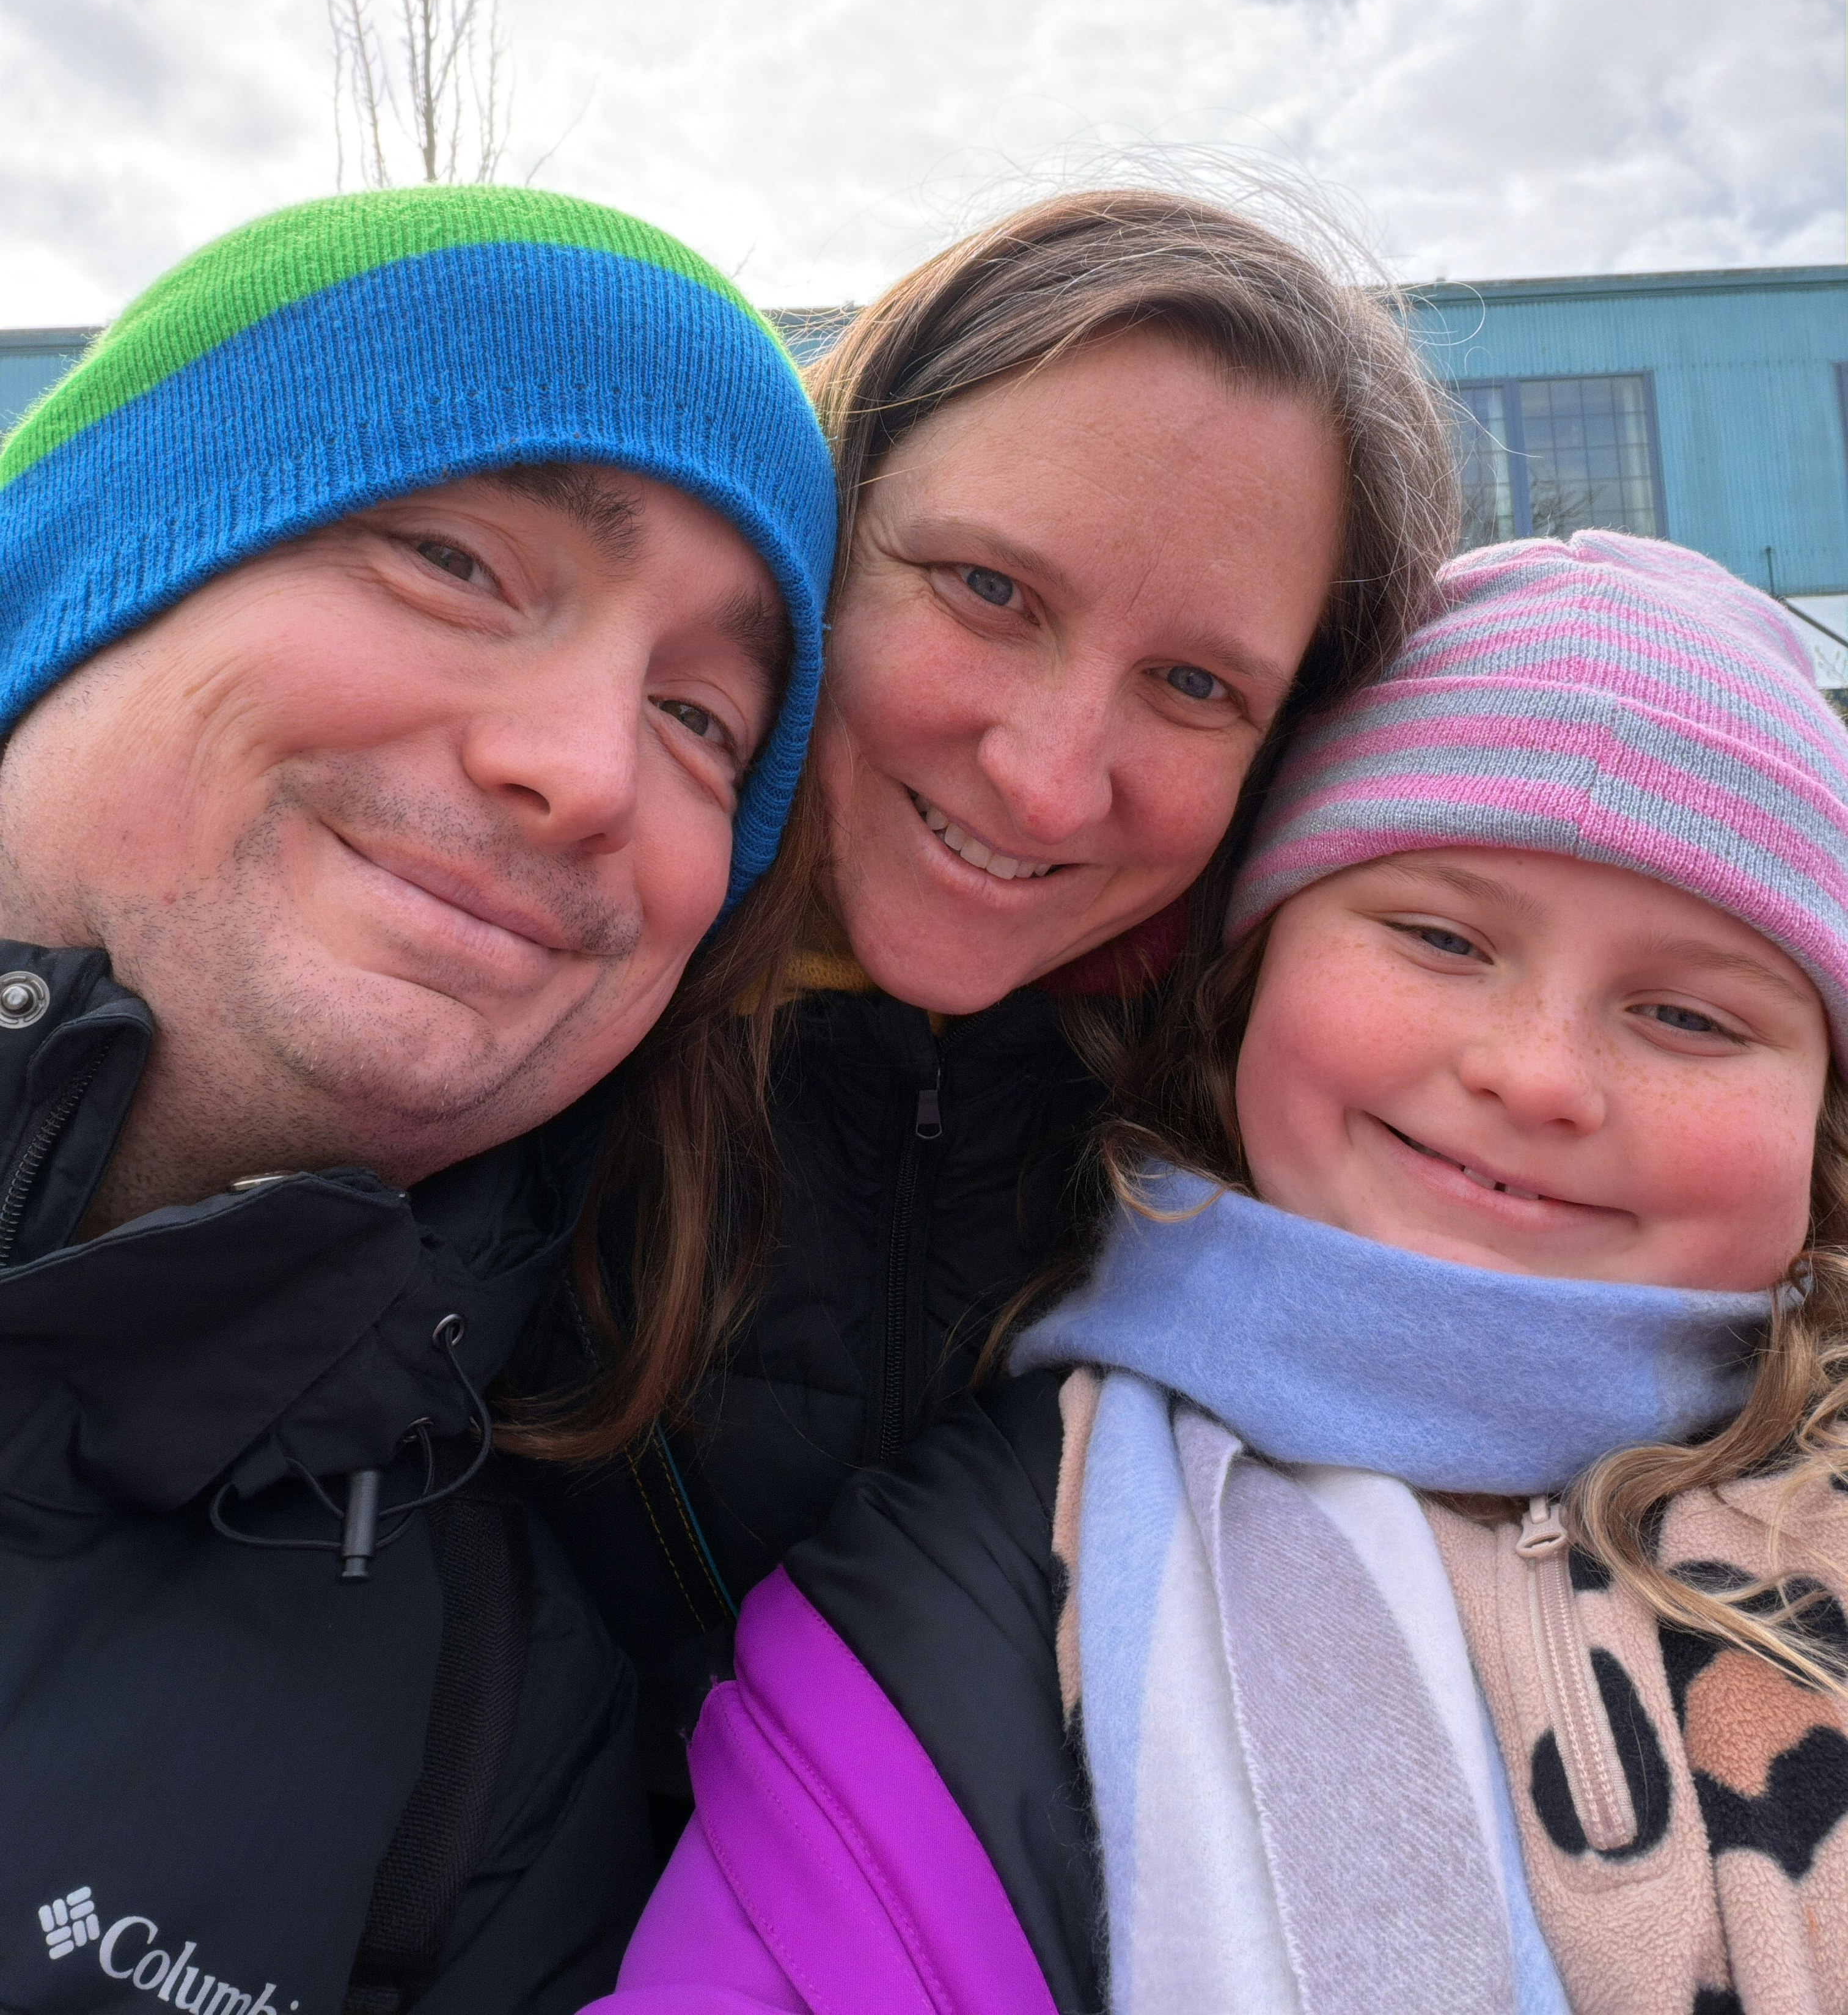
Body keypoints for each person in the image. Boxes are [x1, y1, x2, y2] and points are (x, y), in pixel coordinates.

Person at [607, 529, 1848, 2015]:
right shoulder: (963, 1593)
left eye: (1692, 1018)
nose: (1537, 1076)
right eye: (1442, 936)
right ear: (1250, 974)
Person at [512, 188, 1462, 1826]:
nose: (1046, 775)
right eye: (989, 592)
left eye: (1193, 684)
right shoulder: (494, 1011)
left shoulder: (1313, 1160)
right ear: (827, 529)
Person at [0, 185, 834, 2015]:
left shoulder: (502, 1721)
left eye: (704, 718)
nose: (585, 769)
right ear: (72, 590)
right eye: (457, 561)